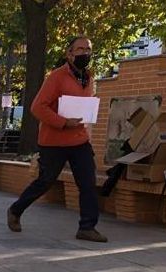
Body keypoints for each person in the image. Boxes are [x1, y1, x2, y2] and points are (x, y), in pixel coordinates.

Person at [8, 36, 107, 242]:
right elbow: (37, 107)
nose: (85, 53)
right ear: (69, 53)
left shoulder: (89, 77)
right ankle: (16, 210)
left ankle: (87, 227)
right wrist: (63, 122)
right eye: (80, 49)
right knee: (45, 181)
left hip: (79, 141)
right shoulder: (56, 77)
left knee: (88, 182)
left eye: (88, 49)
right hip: (54, 141)